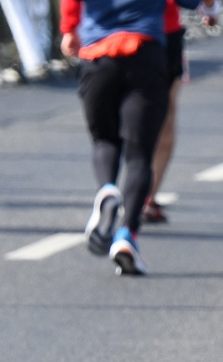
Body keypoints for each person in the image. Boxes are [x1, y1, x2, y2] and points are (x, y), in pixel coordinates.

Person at [61, 0, 209, 276]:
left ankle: (107, 189)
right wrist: (209, 9)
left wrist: (69, 29)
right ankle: (127, 234)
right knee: (140, 154)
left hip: (96, 57)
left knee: (105, 141)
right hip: (145, 54)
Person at [143, 0, 218, 223]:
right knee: (165, 116)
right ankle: (147, 197)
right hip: (162, 34)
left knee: (126, 120)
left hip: (107, 35)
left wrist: (72, 28)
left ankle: (121, 187)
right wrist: (208, 8)